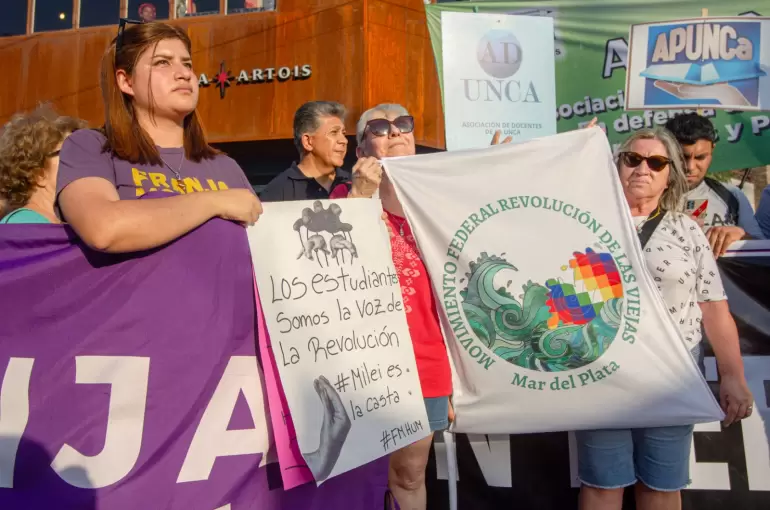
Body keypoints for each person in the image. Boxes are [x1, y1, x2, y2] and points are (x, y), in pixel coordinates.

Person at [575, 127, 753, 510]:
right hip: (601, 376)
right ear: (616, 164)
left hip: (671, 379)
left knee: (660, 487)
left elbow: (714, 309)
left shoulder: (687, 230)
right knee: (602, 486)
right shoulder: (581, 223)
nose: (643, 169)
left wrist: (733, 377)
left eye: (656, 162)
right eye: (632, 159)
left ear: (669, 174)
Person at [331, 104, 453, 510]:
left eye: (404, 124)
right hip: (363, 364)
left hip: (426, 361)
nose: (396, 132)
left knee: (409, 474)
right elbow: (331, 270)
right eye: (380, 128)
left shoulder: (440, 202)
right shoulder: (341, 198)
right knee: (360, 475)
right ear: (361, 147)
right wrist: (361, 196)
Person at [56, 21, 260, 253]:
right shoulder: (90, 147)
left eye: (187, 64)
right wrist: (214, 202)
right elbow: (104, 230)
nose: (184, 74)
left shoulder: (226, 167)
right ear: (126, 81)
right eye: (162, 62)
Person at [664, 113, 764, 256]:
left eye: (700, 157)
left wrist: (741, 236)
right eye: (682, 157)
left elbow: (762, 251)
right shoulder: (642, 197)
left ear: (712, 150)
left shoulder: (732, 195)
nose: (690, 167)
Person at [0, 106, 87, 224]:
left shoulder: (79, 226)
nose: (83, 160)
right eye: (70, 152)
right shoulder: (19, 225)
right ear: (38, 174)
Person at [259, 101, 355, 202]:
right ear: (308, 142)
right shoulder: (277, 193)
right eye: (334, 132)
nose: (344, 140)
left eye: (343, 133)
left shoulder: (354, 184)